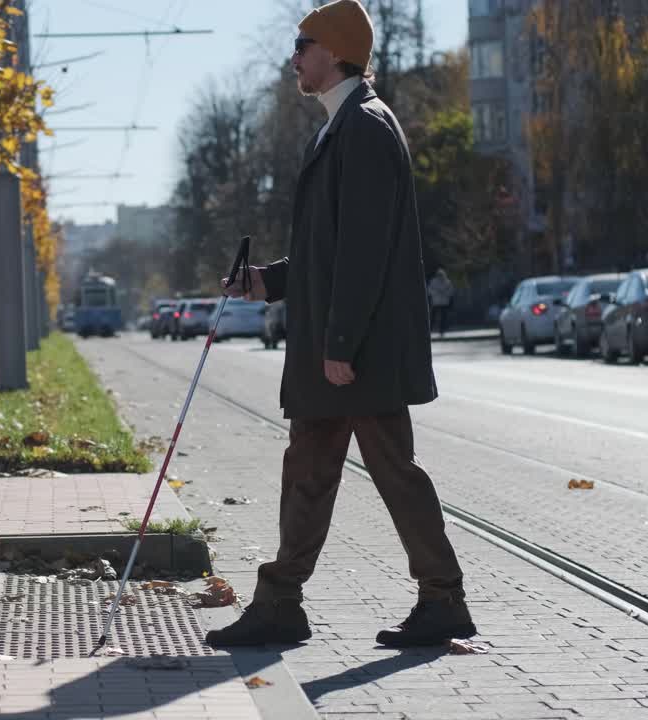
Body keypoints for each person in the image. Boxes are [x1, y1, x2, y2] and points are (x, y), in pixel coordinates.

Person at [206, 0, 475, 649]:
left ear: (336, 52)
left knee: (393, 471)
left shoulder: (367, 128)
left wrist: (340, 343)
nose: (294, 56)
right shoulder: (340, 127)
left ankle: (442, 600)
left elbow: (365, 250)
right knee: (308, 470)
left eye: (304, 44)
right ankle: (280, 603)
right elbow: (331, 252)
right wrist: (267, 281)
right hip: (342, 351)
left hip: (362, 352)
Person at [427, 268, 456, 338]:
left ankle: (441, 331)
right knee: (433, 317)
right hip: (436, 302)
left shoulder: (447, 282)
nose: (440, 276)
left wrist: (444, 293)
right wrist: (437, 293)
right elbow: (429, 290)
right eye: (439, 275)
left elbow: (451, 291)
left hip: (444, 302)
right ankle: (430, 331)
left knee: (443, 318)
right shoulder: (433, 282)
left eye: (441, 275)